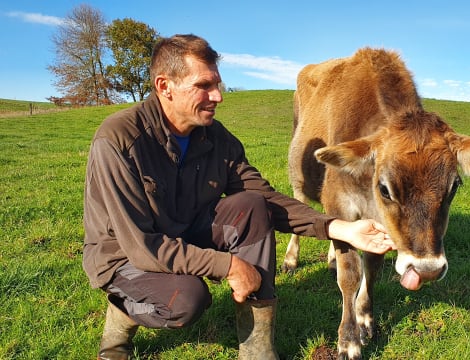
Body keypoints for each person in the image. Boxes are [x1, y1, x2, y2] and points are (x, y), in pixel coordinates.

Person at [82, 33, 396, 360]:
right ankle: (119, 322)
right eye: (203, 86)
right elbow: (142, 245)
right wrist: (229, 265)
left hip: (183, 231)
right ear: (165, 86)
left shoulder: (216, 139)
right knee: (187, 299)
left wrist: (339, 228)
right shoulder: (119, 140)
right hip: (126, 256)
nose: (217, 95)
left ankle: (257, 350)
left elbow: (265, 197)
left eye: (217, 83)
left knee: (252, 206)